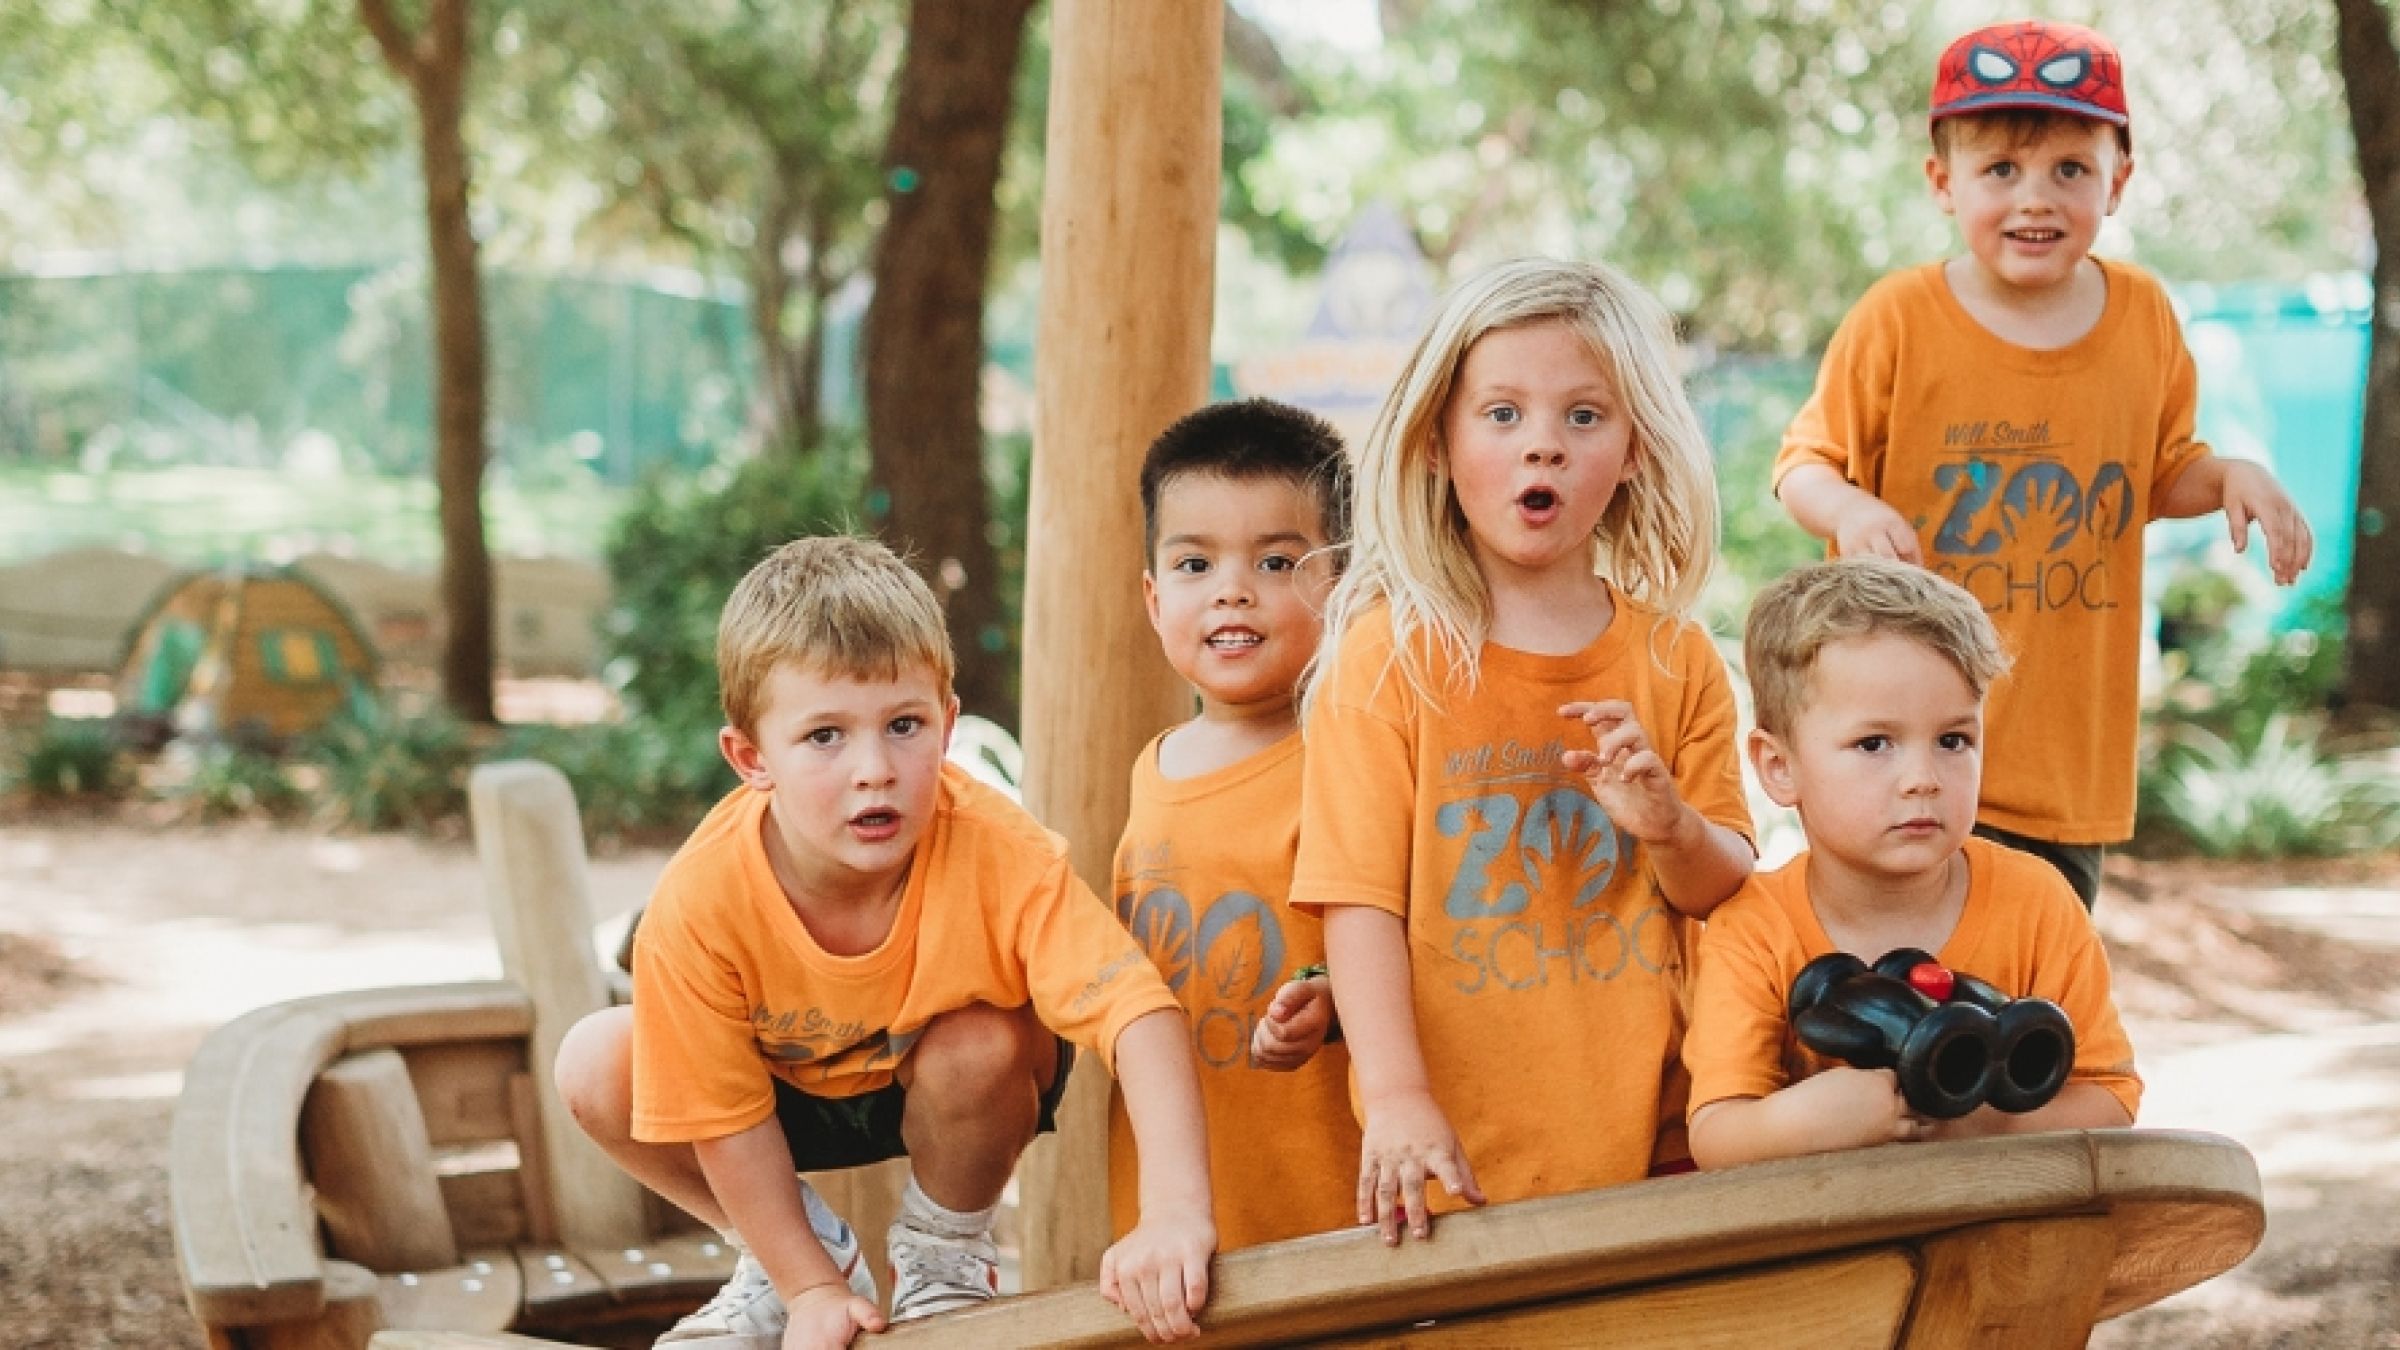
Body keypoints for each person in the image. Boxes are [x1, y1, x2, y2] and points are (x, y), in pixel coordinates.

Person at [552, 536, 1215, 1350]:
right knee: (595, 1060)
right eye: (825, 737)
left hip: (956, 1083)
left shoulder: (996, 851)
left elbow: (1138, 1011)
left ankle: (944, 1257)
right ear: (751, 758)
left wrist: (1175, 1211)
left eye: (904, 725)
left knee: (981, 1040)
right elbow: (723, 1119)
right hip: (777, 1099)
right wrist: (810, 1291)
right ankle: (788, 1258)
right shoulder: (699, 905)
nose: (874, 769)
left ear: (947, 728)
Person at [1773, 18, 2313, 909]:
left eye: (2070, 169)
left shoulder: (2141, 316)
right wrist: (1848, 512)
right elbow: (1805, 465)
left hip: (2066, 769)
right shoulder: (1897, 319)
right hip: (1899, 753)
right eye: (2001, 171)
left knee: (2029, 1020)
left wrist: (2228, 478)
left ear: (2119, 180)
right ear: (1943, 182)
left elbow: (2153, 476)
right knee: (1894, 1009)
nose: (2036, 198)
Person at [1291, 257, 1756, 1245]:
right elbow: (1357, 900)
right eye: (1501, 414)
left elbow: (1727, 888)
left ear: (1634, 448)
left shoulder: (1677, 660)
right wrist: (1400, 1098)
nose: (1541, 444)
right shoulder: (1388, 660)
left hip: (1661, 1152)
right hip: (1450, 1162)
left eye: (1583, 417)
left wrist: (1670, 825)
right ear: (1436, 440)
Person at [1685, 558, 2140, 1168]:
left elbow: (2110, 1103)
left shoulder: (2037, 902)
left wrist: (1971, 1122)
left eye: (1953, 740)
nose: (1923, 780)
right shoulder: (1754, 930)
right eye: (1874, 744)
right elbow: (1716, 1138)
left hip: (2004, 1253)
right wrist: (1816, 1119)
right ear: (1779, 767)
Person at [1109, 398, 1364, 1252]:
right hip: (1185, 1226)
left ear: (1341, 582)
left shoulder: (1352, 756)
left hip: (1331, 1214)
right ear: (1153, 597)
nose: (1231, 590)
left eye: (1277, 560)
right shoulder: (1152, 771)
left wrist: (1338, 1000)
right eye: (1194, 564)